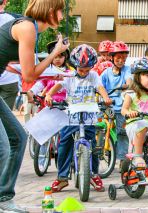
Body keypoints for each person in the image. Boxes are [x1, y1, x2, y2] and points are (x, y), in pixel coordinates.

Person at [0, 0, 68, 212]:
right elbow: (29, 75)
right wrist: (55, 52)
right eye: (61, 11)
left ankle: (4, 197)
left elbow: (13, 66)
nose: (63, 16)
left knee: (18, 138)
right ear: (50, 11)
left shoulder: (27, 27)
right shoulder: (27, 27)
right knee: (3, 148)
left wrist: (49, 72)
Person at [45, 44, 112, 192]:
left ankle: (94, 174)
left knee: (93, 145)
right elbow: (58, 85)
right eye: (81, 70)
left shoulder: (94, 76)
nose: (83, 73)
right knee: (64, 144)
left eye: (87, 70)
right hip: (72, 115)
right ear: (75, 66)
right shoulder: (69, 75)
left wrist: (106, 98)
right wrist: (49, 95)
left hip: (88, 115)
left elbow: (100, 87)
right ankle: (62, 177)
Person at [100, 41, 132, 170]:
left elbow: (129, 81)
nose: (121, 60)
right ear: (112, 57)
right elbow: (99, 84)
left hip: (120, 106)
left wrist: (126, 85)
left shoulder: (127, 70)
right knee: (99, 127)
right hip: (107, 105)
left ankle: (122, 159)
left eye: (123, 58)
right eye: (118, 58)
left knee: (122, 132)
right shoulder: (106, 72)